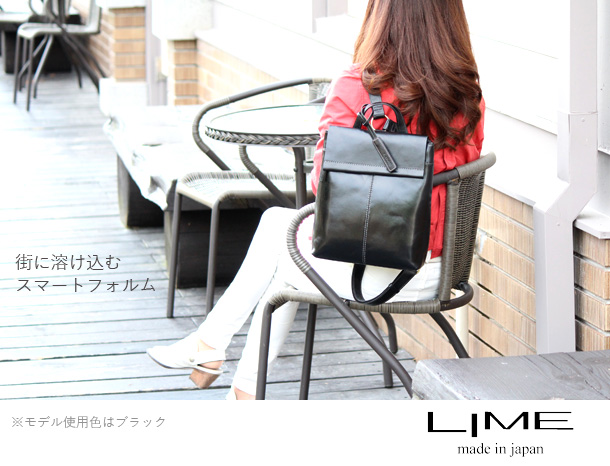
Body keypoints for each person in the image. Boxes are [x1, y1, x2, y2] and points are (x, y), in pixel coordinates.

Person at [147, 0, 485, 400]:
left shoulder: (358, 87)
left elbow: (323, 190)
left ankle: (215, 354)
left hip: (380, 276)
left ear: (380, 18)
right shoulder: (467, 93)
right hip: (441, 270)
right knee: (280, 229)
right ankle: (230, 378)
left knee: (283, 249)